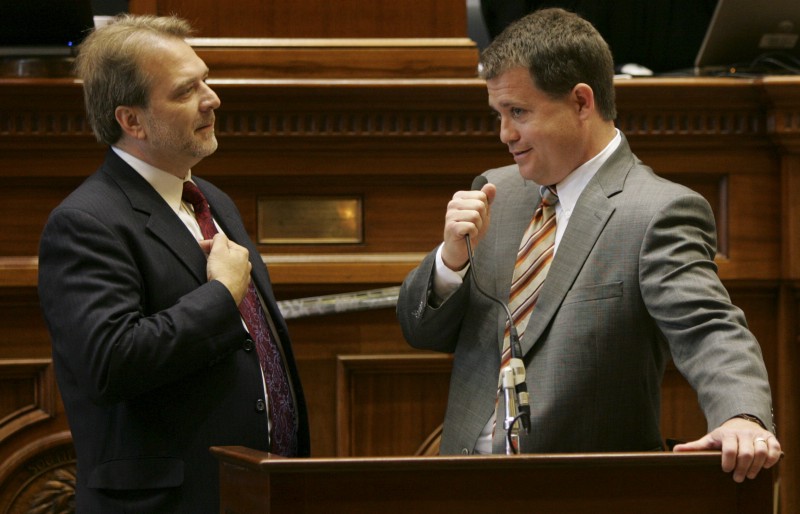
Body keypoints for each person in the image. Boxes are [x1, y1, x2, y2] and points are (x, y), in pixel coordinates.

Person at [396, 8, 781, 482]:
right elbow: (421, 333)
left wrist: (742, 416)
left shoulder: (656, 212)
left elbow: (709, 329)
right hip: (461, 487)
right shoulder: (494, 192)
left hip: (583, 490)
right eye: (499, 115)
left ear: (581, 102)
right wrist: (449, 262)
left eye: (518, 112)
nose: (505, 134)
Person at [37, 14, 310, 513]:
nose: (212, 99)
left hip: (252, 492)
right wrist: (220, 296)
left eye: (206, 80)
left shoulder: (212, 200)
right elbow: (111, 362)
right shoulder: (85, 222)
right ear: (132, 121)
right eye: (186, 91)